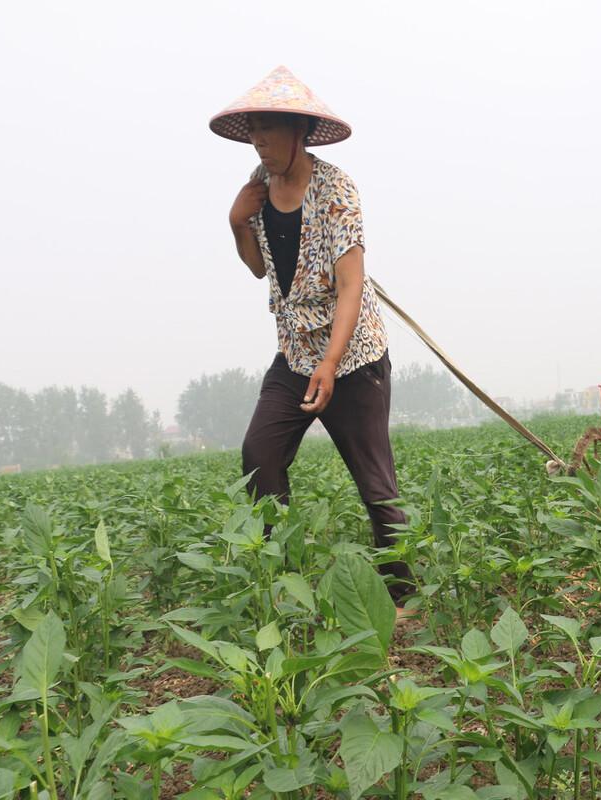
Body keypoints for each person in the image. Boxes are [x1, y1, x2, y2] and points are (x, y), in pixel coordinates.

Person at [210, 67, 414, 609]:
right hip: (295, 354)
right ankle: (284, 575)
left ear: (299, 131)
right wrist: (236, 224)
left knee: (375, 482)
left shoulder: (336, 189)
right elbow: (261, 268)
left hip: (354, 359)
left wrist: (330, 363)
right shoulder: (258, 186)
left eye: (267, 129)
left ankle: (403, 592)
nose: (258, 140)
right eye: (252, 129)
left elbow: (351, 287)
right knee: (260, 453)